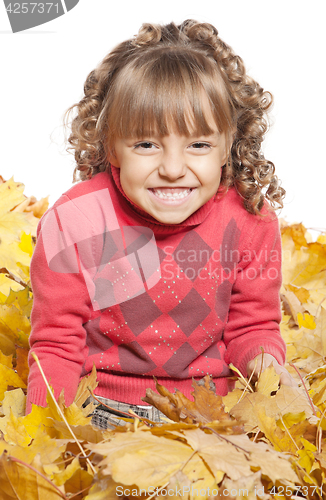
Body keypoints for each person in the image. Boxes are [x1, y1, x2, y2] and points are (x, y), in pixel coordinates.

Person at [26, 19, 296, 429]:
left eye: (198, 144)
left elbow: (252, 326)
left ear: (228, 144)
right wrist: (48, 434)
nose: (172, 169)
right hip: (99, 408)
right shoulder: (75, 222)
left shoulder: (249, 220)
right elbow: (58, 344)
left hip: (210, 415)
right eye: (146, 144)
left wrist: (273, 375)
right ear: (111, 144)